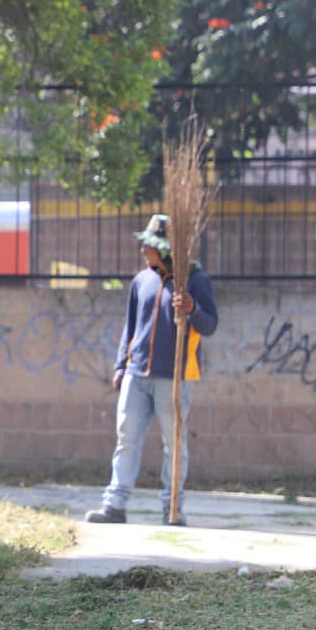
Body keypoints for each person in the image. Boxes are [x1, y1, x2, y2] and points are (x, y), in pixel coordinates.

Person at [85, 213, 219, 526]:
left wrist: (192, 309)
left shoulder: (195, 280)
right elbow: (130, 327)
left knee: (173, 445)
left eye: (150, 245)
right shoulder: (141, 281)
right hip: (136, 373)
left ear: (167, 249)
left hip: (175, 377)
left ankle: (172, 509)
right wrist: (121, 365)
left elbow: (210, 324)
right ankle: (114, 505)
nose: (144, 250)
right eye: (144, 244)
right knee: (126, 438)